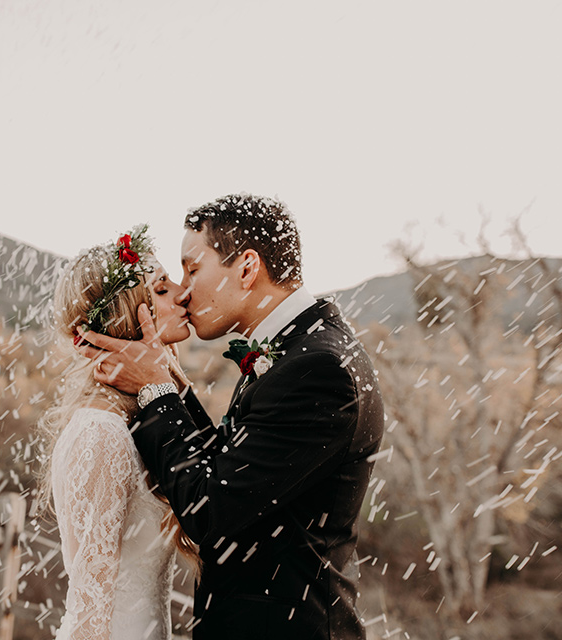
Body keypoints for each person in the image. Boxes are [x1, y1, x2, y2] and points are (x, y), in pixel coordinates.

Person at [80, 194, 385, 640]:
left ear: (246, 267)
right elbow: (231, 466)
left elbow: (209, 509)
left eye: (193, 269)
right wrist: (173, 385)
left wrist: (154, 390)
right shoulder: (301, 350)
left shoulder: (316, 369)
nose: (183, 290)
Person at [37, 224, 206, 640]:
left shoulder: (137, 424)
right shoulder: (101, 433)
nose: (182, 295)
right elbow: (90, 610)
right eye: (162, 290)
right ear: (131, 315)